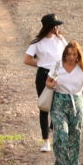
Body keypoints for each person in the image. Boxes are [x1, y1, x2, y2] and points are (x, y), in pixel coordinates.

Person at [49, 40, 83, 165]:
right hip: (59, 101)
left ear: (78, 55)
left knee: (74, 137)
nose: (71, 57)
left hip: (76, 102)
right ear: (65, 54)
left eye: (74, 54)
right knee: (61, 134)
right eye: (69, 54)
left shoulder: (82, 69)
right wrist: (52, 84)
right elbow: (48, 82)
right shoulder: (58, 66)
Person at [23, 13, 67, 152]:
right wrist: (41, 65)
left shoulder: (60, 40)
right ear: (50, 27)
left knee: (57, 105)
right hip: (44, 74)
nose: (58, 28)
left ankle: (54, 132)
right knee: (44, 106)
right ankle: (45, 141)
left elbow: (69, 52)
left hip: (58, 74)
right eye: (56, 26)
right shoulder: (38, 43)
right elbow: (27, 59)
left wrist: (61, 37)